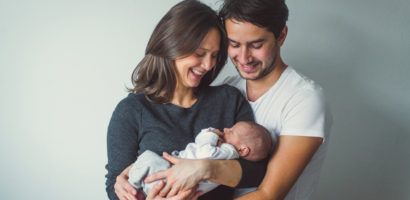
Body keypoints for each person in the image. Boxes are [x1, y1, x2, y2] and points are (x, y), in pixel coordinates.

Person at [143, 0, 332, 199]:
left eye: (256, 45)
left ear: (281, 36)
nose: (244, 58)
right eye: (234, 44)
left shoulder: (304, 98)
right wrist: (129, 173)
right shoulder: (229, 89)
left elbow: (268, 194)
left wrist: (204, 169)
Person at [105, 1, 268, 200]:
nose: (208, 65)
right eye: (199, 54)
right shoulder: (132, 110)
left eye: (214, 56)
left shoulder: (229, 100)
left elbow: (256, 171)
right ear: (170, 45)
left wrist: (203, 168)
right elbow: (115, 183)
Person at [128, 121, 272, 197]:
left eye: (232, 131)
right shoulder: (226, 153)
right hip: (171, 183)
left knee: (148, 158)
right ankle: (135, 189)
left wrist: (210, 133)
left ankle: (132, 187)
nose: (226, 129)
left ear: (242, 150)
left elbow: (204, 152)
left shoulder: (229, 152)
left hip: (169, 178)